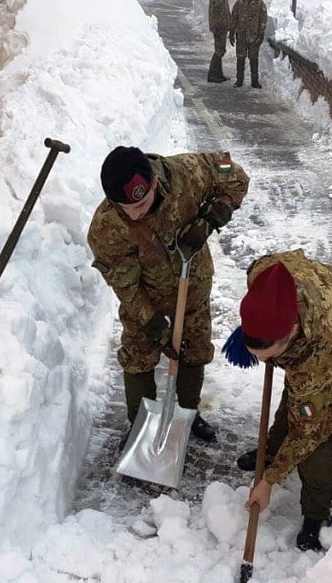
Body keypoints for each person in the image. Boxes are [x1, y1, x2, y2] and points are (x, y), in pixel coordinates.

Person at [233, 249, 332, 551]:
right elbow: (263, 270)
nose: (265, 362)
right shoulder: (264, 275)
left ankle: (317, 512)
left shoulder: (322, 345)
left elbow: (308, 428)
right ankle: (275, 450)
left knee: (317, 424)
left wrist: (269, 481)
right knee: (300, 395)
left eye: (270, 356)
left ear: (293, 330)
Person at [87, 146, 250, 442]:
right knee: (138, 355)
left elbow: (233, 172)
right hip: (145, 298)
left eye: (146, 201)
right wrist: (153, 325)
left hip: (193, 286)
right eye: (131, 210)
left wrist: (214, 215)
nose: (140, 212)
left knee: (195, 348)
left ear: (154, 182)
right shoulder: (105, 229)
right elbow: (127, 286)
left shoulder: (187, 172)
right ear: (114, 203)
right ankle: (139, 425)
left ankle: (188, 414)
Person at [229, 0, 267, 89]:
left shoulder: (260, 4)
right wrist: (231, 32)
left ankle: (255, 81)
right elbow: (234, 18)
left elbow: (263, 20)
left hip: (254, 37)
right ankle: (239, 80)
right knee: (240, 58)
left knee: (253, 58)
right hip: (241, 36)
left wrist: (261, 34)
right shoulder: (239, 3)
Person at [207, 0, 232, 83]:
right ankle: (212, 75)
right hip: (219, 27)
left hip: (222, 26)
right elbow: (215, 11)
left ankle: (218, 74)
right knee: (219, 50)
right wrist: (217, 26)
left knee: (220, 49)